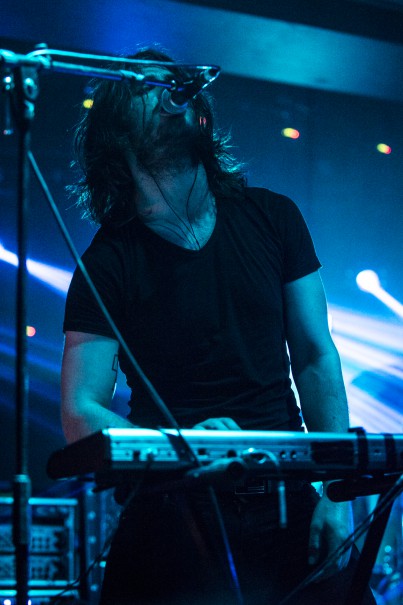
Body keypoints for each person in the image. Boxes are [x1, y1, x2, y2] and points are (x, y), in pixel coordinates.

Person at [61, 48, 376, 604]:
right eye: (147, 84)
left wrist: (336, 489)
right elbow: (79, 411)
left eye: (175, 84)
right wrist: (182, 444)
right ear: (117, 129)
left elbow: (313, 355)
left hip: (287, 499)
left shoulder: (273, 217)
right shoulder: (107, 263)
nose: (169, 92)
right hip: (173, 511)